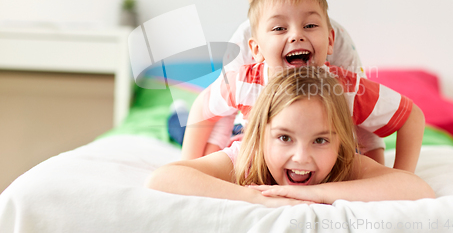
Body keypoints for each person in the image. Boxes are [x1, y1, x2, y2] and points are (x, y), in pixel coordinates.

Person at [181, 0, 386, 163]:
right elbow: (223, 106)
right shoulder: (245, 36)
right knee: (206, 133)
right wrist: (203, 161)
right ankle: (177, 117)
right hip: (257, 129)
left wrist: (374, 160)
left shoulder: (334, 35)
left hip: (316, 134)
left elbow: (358, 99)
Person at [182, 0, 425, 173]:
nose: (296, 35)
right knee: (180, 126)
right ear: (256, 50)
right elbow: (203, 108)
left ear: (330, 41)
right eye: (279, 28)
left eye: (309, 26)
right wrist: (188, 163)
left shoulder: (346, 89)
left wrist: (401, 174)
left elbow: (411, 117)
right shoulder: (244, 83)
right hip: (244, 138)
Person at [147, 67, 435, 207]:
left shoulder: (342, 162)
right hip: (238, 132)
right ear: (262, 138)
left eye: (320, 140)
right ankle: (177, 111)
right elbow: (162, 178)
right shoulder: (246, 157)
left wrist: (316, 193)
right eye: (285, 138)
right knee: (181, 129)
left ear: (340, 142)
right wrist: (258, 199)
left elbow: (417, 188)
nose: (301, 157)